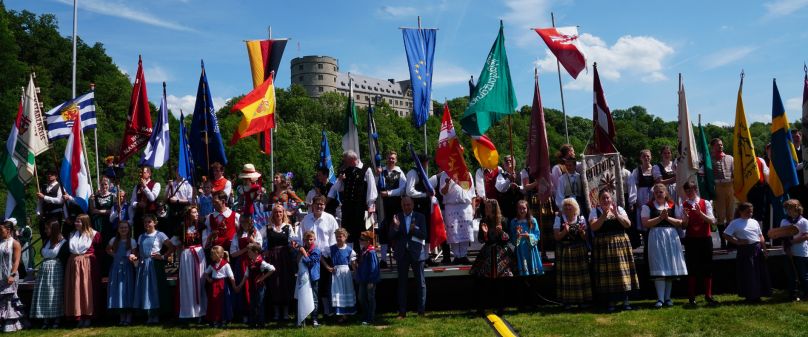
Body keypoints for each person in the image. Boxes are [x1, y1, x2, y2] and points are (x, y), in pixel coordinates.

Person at [589, 190, 638, 311]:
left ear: (611, 199)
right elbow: (594, 227)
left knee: (622, 271)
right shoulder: (594, 211)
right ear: (599, 200)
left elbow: (628, 224)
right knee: (607, 274)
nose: (606, 200)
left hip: (620, 243)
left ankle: (626, 300)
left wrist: (616, 215)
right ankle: (611, 301)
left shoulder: (619, 209)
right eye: (603, 198)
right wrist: (604, 215)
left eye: (607, 198)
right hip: (603, 246)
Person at [642, 183, 688, 308]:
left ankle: (667, 298)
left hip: (670, 236)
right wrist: (660, 217)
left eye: (661, 192)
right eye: (656, 192)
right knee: (659, 265)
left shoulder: (673, 206)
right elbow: (645, 223)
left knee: (669, 265)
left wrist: (667, 218)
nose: (658, 194)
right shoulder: (648, 206)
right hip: (656, 236)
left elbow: (680, 223)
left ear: (666, 193)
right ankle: (660, 299)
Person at [677, 181, 719, 306]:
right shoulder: (683, 205)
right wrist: (686, 218)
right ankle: (691, 296)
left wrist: (700, 213)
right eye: (687, 191)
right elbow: (684, 226)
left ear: (695, 189)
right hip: (691, 239)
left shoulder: (705, 203)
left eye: (690, 190)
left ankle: (708, 295)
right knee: (692, 267)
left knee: (707, 267)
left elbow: (712, 221)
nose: (689, 193)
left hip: (705, 238)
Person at [470, 199, 514, 315]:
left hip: (500, 252)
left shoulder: (503, 220)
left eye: (489, 207)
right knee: (482, 279)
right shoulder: (484, 221)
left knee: (500, 281)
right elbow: (481, 240)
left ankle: (501, 307)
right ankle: (481, 307)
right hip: (488, 251)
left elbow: (507, 239)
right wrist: (484, 233)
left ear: (494, 209)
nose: (487, 209)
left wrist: (501, 232)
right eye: (486, 207)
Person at [329, 150, 378, 252]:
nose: (344, 162)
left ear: (352, 159)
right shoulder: (345, 170)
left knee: (361, 231)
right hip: (347, 207)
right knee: (348, 231)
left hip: (360, 206)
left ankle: (363, 254)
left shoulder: (366, 170)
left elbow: (371, 189)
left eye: (345, 160)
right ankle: (350, 256)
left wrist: (370, 205)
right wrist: (340, 179)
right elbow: (337, 188)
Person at [297, 195, 338, 317]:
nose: (319, 206)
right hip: (309, 256)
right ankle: (312, 311)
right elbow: (300, 236)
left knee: (325, 284)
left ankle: (326, 311)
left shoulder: (330, 219)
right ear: (312, 205)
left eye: (322, 204)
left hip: (325, 256)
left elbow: (334, 239)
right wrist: (301, 249)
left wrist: (332, 254)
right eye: (317, 204)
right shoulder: (306, 219)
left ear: (325, 206)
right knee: (311, 284)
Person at [723, 202, 771, 302]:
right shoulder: (735, 223)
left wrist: (765, 249)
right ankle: (750, 295)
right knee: (748, 273)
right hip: (745, 250)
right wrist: (737, 242)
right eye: (747, 211)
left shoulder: (754, 222)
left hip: (757, 249)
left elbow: (760, 236)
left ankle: (759, 294)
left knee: (759, 272)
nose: (750, 214)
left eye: (751, 212)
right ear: (740, 211)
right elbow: (726, 235)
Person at [132, 215, 174, 324]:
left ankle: (156, 314)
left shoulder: (160, 235)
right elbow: (137, 251)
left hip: (155, 265)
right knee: (145, 289)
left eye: (149, 222)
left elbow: (171, 247)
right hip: (143, 266)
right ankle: (148, 314)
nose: (147, 224)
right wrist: (134, 256)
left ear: (155, 222)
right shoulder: (141, 236)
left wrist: (163, 257)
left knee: (155, 288)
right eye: (145, 222)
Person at [390, 196, 427, 318]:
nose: (406, 207)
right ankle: (402, 312)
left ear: (413, 205)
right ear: (401, 205)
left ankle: (421, 311)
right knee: (402, 284)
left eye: (408, 204)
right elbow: (391, 236)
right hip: (402, 254)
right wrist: (395, 227)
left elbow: (424, 235)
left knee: (420, 283)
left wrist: (414, 231)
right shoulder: (397, 217)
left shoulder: (420, 217)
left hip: (417, 253)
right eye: (404, 205)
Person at [553, 198, 592, 309]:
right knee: (567, 277)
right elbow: (556, 237)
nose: (568, 207)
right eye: (565, 206)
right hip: (565, 250)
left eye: (570, 205)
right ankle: (567, 302)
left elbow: (585, 237)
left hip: (579, 250)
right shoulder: (559, 218)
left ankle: (582, 300)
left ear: (575, 207)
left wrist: (581, 232)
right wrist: (565, 231)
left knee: (580, 276)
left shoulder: (581, 218)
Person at [65, 214, 102, 327]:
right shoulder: (72, 234)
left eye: (79, 221)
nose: (76, 223)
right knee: (76, 289)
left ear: (85, 222)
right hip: (74, 264)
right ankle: (78, 315)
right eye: (76, 221)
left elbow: (100, 251)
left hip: (88, 264)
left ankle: (88, 315)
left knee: (87, 290)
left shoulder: (94, 234)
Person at [30, 219, 67, 328]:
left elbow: (63, 258)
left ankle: (56, 319)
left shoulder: (63, 242)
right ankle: (45, 319)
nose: (46, 231)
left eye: (47, 228)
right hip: (44, 271)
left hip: (56, 270)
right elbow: (43, 254)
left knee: (54, 294)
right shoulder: (47, 241)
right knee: (44, 293)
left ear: (54, 229)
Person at [405, 154, 438, 265]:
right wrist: (424, 195)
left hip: (425, 206)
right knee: (418, 232)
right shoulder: (413, 173)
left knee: (426, 232)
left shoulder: (422, 173)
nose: (426, 164)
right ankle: (420, 256)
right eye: (424, 162)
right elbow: (409, 191)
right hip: (418, 207)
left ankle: (427, 256)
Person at [264, 203, 295, 321]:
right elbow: (259, 240)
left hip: (285, 258)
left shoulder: (288, 227)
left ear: (283, 213)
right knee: (274, 283)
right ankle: (276, 312)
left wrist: (294, 244)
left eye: (280, 212)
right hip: (272, 259)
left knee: (285, 282)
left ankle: (286, 312)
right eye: (276, 212)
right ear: (273, 214)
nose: (278, 214)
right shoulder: (268, 227)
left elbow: (293, 240)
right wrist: (263, 251)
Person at [230, 214, 263, 322]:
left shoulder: (256, 232)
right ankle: (244, 314)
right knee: (243, 287)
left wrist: (252, 241)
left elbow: (260, 248)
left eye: (246, 222)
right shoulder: (237, 235)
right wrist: (245, 249)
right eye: (242, 222)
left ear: (250, 222)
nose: (244, 224)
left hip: (254, 262)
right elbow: (233, 254)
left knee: (254, 287)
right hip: (241, 263)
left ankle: (255, 313)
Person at [177, 206, 207, 321]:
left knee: (200, 281)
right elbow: (174, 241)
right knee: (188, 282)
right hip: (186, 255)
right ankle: (188, 312)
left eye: (197, 212)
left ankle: (201, 312)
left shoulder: (201, 226)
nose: (197, 214)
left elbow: (205, 241)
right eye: (194, 212)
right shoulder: (182, 227)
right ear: (188, 214)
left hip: (198, 253)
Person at [439, 171, 476, 265]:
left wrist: (474, 208)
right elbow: (442, 192)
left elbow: (472, 193)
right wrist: (448, 183)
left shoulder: (467, 173)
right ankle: (456, 256)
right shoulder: (445, 174)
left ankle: (463, 255)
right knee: (453, 231)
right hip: (451, 206)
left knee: (465, 231)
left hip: (465, 205)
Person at [235, 243, 275, 328]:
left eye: (249, 252)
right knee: (252, 304)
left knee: (259, 304)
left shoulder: (261, 262)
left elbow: (272, 269)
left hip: (260, 287)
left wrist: (262, 278)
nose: (248, 254)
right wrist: (240, 285)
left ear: (256, 252)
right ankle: (253, 322)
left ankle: (261, 323)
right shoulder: (250, 262)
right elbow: (246, 275)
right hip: (252, 286)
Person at [321, 228, 357, 320]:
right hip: (336, 273)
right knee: (337, 292)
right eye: (337, 237)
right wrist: (327, 267)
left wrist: (356, 273)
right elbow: (321, 257)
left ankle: (346, 313)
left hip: (345, 273)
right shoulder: (332, 248)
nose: (338, 238)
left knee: (345, 291)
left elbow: (353, 263)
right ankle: (338, 313)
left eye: (340, 236)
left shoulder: (349, 250)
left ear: (345, 237)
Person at [380, 151, 406, 268]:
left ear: (396, 160)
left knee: (396, 230)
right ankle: (384, 259)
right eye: (389, 158)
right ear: (386, 159)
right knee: (383, 230)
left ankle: (398, 256)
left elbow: (402, 189)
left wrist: (389, 193)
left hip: (395, 205)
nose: (391, 160)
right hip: (382, 205)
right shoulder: (381, 172)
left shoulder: (400, 172)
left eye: (393, 158)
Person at [106, 221, 136, 325]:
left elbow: (135, 254)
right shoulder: (114, 240)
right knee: (119, 291)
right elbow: (108, 249)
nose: (123, 229)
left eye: (125, 228)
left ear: (129, 229)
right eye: (121, 228)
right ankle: (121, 317)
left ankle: (129, 316)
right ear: (118, 229)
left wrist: (133, 257)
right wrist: (114, 255)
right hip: (116, 268)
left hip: (127, 269)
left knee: (127, 290)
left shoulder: (132, 241)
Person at [0, 219, 27, 332]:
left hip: (10, 274)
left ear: (8, 230)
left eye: (1, 229)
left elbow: (16, 261)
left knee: (10, 300)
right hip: (1, 274)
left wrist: (12, 274)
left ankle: (12, 325)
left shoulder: (15, 243)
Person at [781, 199, 808, 301]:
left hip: (801, 252)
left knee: (803, 275)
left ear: (797, 209)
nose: (788, 211)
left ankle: (806, 294)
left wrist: (791, 242)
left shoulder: (803, 221)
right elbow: (781, 234)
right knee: (791, 275)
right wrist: (786, 246)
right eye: (786, 208)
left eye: (790, 208)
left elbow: (806, 236)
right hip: (787, 251)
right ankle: (792, 295)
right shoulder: (784, 221)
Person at [711, 138, 735, 248]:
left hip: (730, 186)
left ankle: (730, 240)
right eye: (717, 145)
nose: (720, 147)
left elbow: (734, 173)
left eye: (721, 145)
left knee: (731, 215)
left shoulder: (730, 158)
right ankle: (722, 241)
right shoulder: (710, 159)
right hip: (718, 187)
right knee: (721, 215)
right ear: (713, 147)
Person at [205, 245, 236, 328]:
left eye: (213, 255)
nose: (211, 256)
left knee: (223, 303)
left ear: (219, 255)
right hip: (214, 286)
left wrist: (234, 286)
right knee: (214, 303)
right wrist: (208, 279)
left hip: (223, 286)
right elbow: (206, 273)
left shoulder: (226, 265)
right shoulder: (212, 265)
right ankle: (215, 320)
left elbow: (231, 276)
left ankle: (223, 320)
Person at [510, 200, 543, 276]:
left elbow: (537, 235)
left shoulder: (532, 220)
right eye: (520, 208)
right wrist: (517, 236)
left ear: (527, 209)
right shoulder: (514, 222)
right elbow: (512, 237)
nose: (522, 210)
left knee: (532, 272)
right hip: (520, 250)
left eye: (524, 208)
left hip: (530, 249)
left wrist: (529, 236)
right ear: (517, 209)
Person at [295, 230, 321, 327]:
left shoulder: (317, 251)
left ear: (314, 239)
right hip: (303, 277)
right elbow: (298, 261)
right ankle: (303, 318)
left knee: (314, 299)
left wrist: (304, 253)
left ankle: (314, 319)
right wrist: (299, 253)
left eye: (311, 239)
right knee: (302, 297)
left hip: (313, 277)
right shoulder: (302, 249)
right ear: (304, 240)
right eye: (307, 240)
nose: (309, 241)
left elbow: (310, 262)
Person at [90, 177, 115, 276]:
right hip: (98, 223)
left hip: (108, 224)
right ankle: (98, 269)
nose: (104, 186)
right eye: (102, 184)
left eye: (105, 184)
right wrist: (91, 201)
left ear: (109, 185)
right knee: (98, 244)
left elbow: (112, 211)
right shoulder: (95, 197)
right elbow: (92, 210)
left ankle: (109, 270)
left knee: (108, 244)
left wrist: (99, 211)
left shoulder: (113, 196)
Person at [630, 150, 655, 244]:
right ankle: (645, 240)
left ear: (651, 157)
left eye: (648, 156)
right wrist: (634, 200)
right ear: (641, 158)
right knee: (643, 217)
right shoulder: (637, 171)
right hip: (641, 196)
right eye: (644, 156)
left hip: (653, 196)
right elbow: (633, 186)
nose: (646, 158)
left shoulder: (654, 169)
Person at [355, 230, 380, 325]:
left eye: (362, 239)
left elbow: (374, 267)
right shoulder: (363, 251)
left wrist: (371, 280)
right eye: (360, 239)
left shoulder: (371, 252)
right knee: (361, 297)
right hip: (362, 278)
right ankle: (365, 315)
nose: (360, 241)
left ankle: (370, 318)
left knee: (370, 298)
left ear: (368, 241)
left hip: (370, 279)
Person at [130, 166, 161, 239]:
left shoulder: (156, 184)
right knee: (138, 237)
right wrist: (138, 204)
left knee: (151, 236)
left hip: (151, 215)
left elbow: (152, 198)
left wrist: (145, 187)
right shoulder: (137, 186)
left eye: (143, 172)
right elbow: (132, 202)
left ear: (149, 174)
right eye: (140, 172)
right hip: (139, 216)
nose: (140, 174)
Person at [164, 170, 194, 238]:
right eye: (177, 171)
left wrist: (177, 200)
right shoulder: (171, 184)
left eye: (180, 171)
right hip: (172, 212)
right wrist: (169, 187)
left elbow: (190, 201)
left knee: (182, 233)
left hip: (183, 211)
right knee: (171, 233)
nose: (178, 173)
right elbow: (165, 199)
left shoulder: (188, 184)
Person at [36, 169, 64, 239]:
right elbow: (40, 201)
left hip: (55, 215)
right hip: (45, 215)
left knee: (54, 235)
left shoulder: (60, 186)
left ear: (56, 176)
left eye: (52, 174)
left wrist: (45, 197)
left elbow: (60, 200)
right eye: (48, 174)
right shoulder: (44, 187)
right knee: (44, 235)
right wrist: (38, 212)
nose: (49, 175)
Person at [496, 155, 523, 220]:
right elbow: (500, 188)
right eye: (506, 161)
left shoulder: (521, 174)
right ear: (503, 164)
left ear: (515, 162)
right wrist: (509, 180)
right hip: (506, 210)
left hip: (520, 210)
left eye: (510, 160)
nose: (508, 162)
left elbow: (525, 187)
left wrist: (518, 187)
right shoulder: (500, 176)